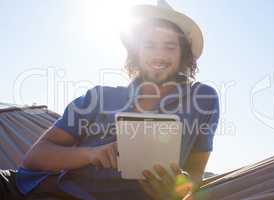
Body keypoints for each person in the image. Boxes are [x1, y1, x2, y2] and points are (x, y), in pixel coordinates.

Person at [0, 0, 219, 199]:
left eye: (170, 46)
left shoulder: (202, 99)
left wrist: (177, 191)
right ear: (136, 51)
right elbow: (35, 158)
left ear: (183, 53)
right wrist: (92, 154)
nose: (159, 55)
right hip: (23, 187)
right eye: (149, 45)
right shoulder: (99, 96)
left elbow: (196, 173)